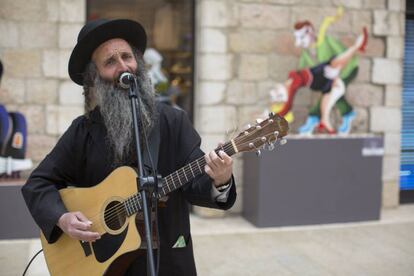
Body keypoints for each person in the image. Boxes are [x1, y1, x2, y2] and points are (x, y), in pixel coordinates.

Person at [21, 18, 236, 275]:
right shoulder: (84, 131)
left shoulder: (172, 122)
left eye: (127, 57)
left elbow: (196, 182)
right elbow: (37, 184)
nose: (124, 67)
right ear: (94, 77)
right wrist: (62, 217)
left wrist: (220, 181)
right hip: (105, 266)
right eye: (110, 62)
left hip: (167, 262)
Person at [276, 27, 367, 134]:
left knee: (329, 88)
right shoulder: (298, 75)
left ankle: (325, 121)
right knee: (332, 67)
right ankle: (324, 120)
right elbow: (287, 103)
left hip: (319, 78)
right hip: (315, 77)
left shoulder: (325, 44)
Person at [293, 7, 360, 134]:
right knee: (330, 90)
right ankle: (346, 114)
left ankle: (314, 118)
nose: (298, 43)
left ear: (310, 32)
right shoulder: (305, 54)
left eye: (301, 37)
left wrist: (338, 70)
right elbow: (302, 71)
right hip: (329, 79)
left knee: (331, 90)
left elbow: (343, 55)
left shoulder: (326, 41)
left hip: (348, 70)